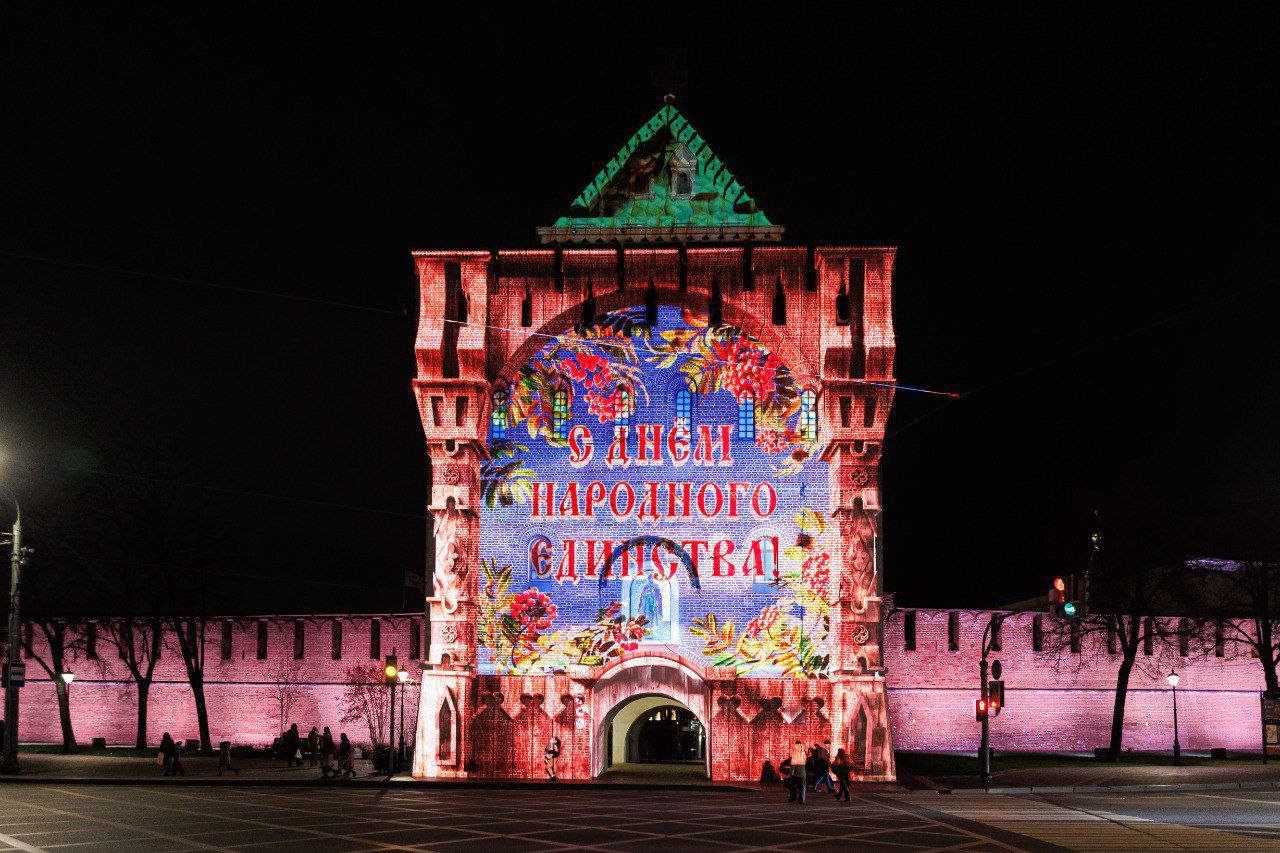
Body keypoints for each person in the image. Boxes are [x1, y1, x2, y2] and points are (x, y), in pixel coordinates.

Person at [788, 740, 807, 804]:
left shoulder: (795, 753)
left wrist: (791, 773)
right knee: (802, 787)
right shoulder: (803, 752)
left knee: (793, 786)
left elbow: (793, 764)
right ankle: (801, 799)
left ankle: (793, 797)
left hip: (796, 772)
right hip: (802, 772)